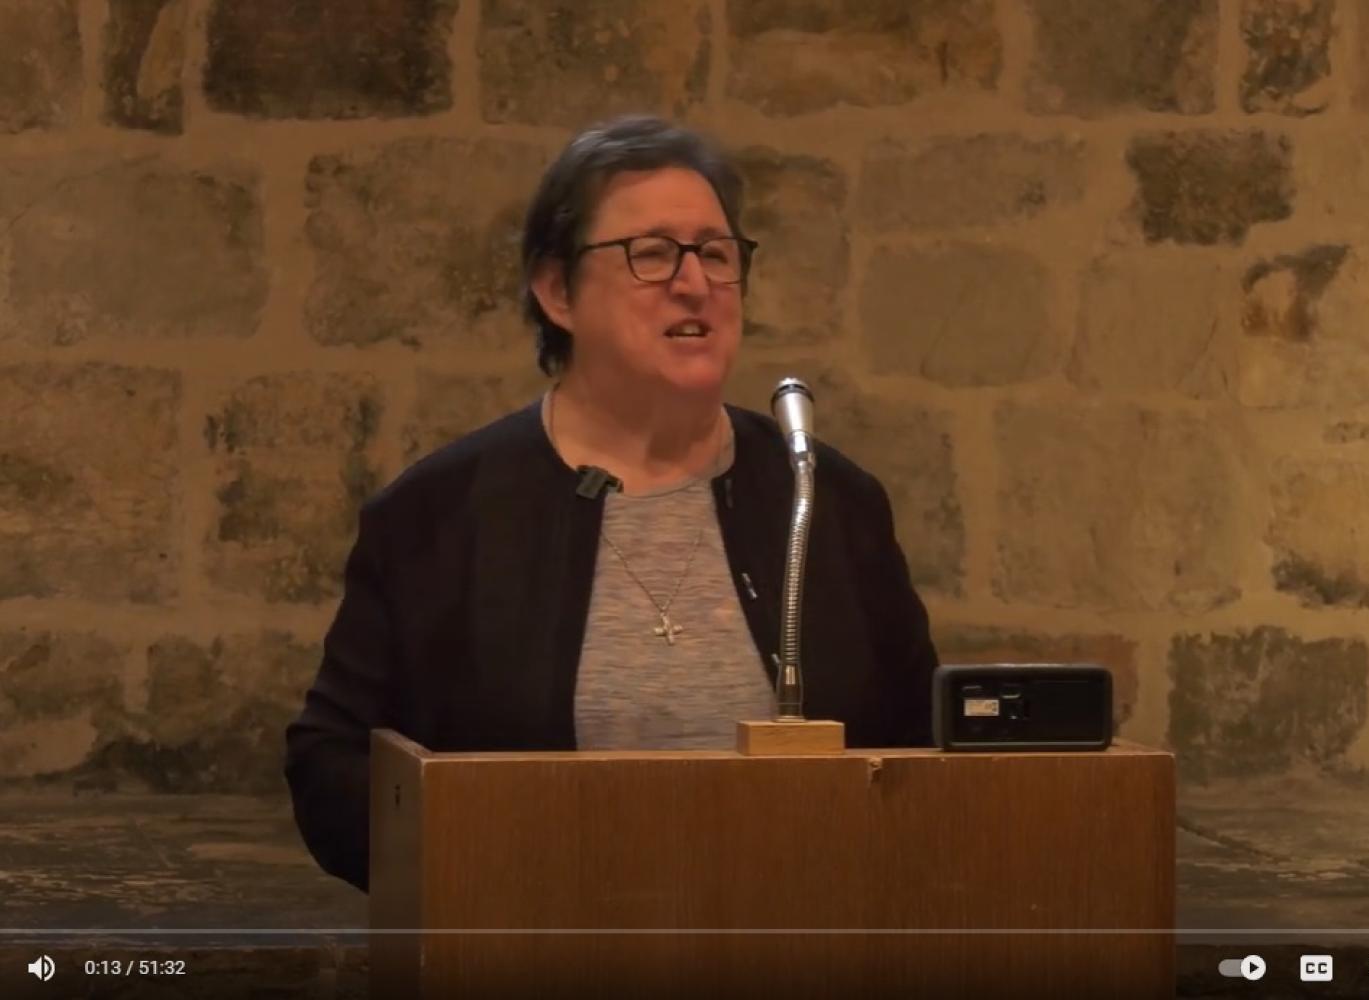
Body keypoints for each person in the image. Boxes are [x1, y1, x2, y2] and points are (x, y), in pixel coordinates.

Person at [285, 115, 938, 891]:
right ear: (557, 290)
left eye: (717, 254)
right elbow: (331, 768)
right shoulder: (439, 516)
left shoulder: (827, 504)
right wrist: (500, 862)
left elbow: (923, 755)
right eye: (652, 254)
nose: (694, 282)